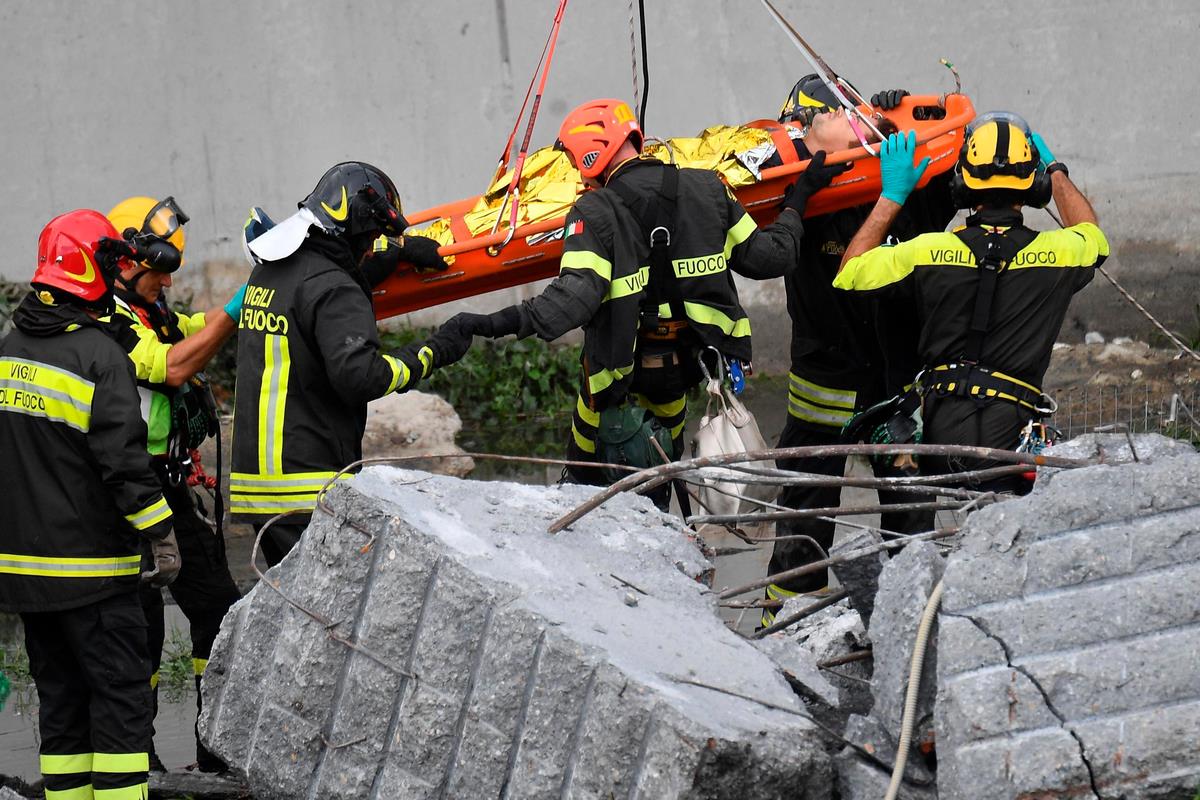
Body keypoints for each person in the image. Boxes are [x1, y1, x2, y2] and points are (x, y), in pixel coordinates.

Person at [438, 98, 837, 486]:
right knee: (659, 482)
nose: (580, 178)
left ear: (592, 158)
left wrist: (484, 324)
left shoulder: (593, 213)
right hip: (679, 377)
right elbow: (772, 258)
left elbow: (569, 303)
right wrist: (797, 202)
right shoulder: (708, 190)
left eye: (578, 165)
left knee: (589, 494)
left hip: (611, 393)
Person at [762, 75, 959, 624]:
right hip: (822, 383)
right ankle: (789, 618)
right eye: (796, 127)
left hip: (894, 384)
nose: (800, 134)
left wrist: (911, 117)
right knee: (804, 510)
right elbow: (770, 238)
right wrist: (802, 190)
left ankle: (909, 623)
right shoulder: (794, 196)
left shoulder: (899, 178)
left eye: (812, 120)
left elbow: (955, 172)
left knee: (908, 511)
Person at [0, 209, 181, 800]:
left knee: (62, 707)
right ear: (90, 269)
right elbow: (124, 466)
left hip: (25, 576)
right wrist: (162, 534)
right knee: (121, 704)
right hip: (94, 574)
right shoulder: (99, 356)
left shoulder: (9, 348)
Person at [834, 112, 1107, 490]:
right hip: (1013, 439)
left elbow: (851, 273)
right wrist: (1057, 172)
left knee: (936, 533)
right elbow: (1093, 236)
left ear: (962, 182)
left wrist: (892, 195)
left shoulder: (929, 250)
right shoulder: (1060, 252)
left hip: (939, 433)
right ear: (1034, 184)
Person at [230, 161, 467, 565]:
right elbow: (360, 377)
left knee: (293, 611)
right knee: (332, 615)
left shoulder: (270, 272)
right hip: (309, 488)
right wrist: (432, 352)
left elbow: (316, 294)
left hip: (260, 488)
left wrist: (397, 251)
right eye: (373, 234)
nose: (372, 244)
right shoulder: (335, 289)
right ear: (357, 226)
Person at [101, 195, 246, 773]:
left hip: (172, 488)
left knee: (220, 610)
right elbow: (174, 366)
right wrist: (236, 311)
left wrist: (259, 282)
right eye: (157, 269)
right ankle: (143, 765)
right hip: (127, 494)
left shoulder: (151, 311)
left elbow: (202, 329)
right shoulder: (108, 322)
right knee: (143, 632)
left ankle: (215, 752)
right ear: (124, 262)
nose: (165, 281)